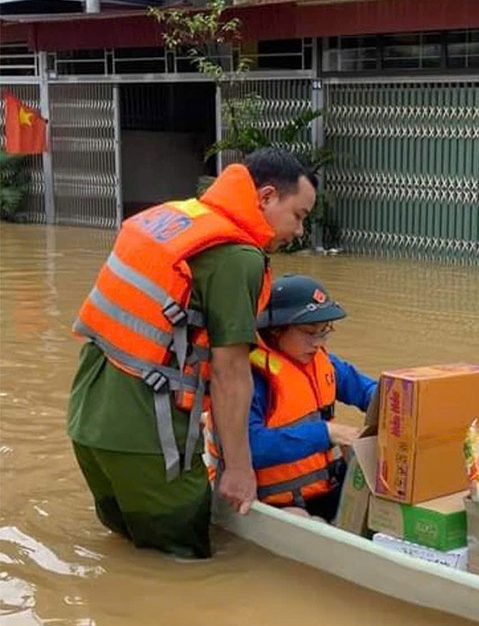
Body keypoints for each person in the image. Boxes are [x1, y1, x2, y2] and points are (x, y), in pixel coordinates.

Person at [67, 148, 317, 558]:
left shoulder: (175, 216)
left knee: (128, 556)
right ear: (268, 197)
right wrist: (238, 470)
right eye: (300, 216)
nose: (299, 232)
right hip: (148, 438)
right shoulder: (238, 257)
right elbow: (230, 372)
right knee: (185, 569)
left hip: (88, 422)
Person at [206, 274, 376, 521]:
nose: (318, 343)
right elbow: (250, 448)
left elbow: (369, 391)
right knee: (302, 518)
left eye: (324, 332)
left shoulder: (324, 363)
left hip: (321, 488)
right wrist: (327, 433)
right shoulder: (249, 380)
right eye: (309, 332)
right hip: (272, 499)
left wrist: (400, 401)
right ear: (275, 331)